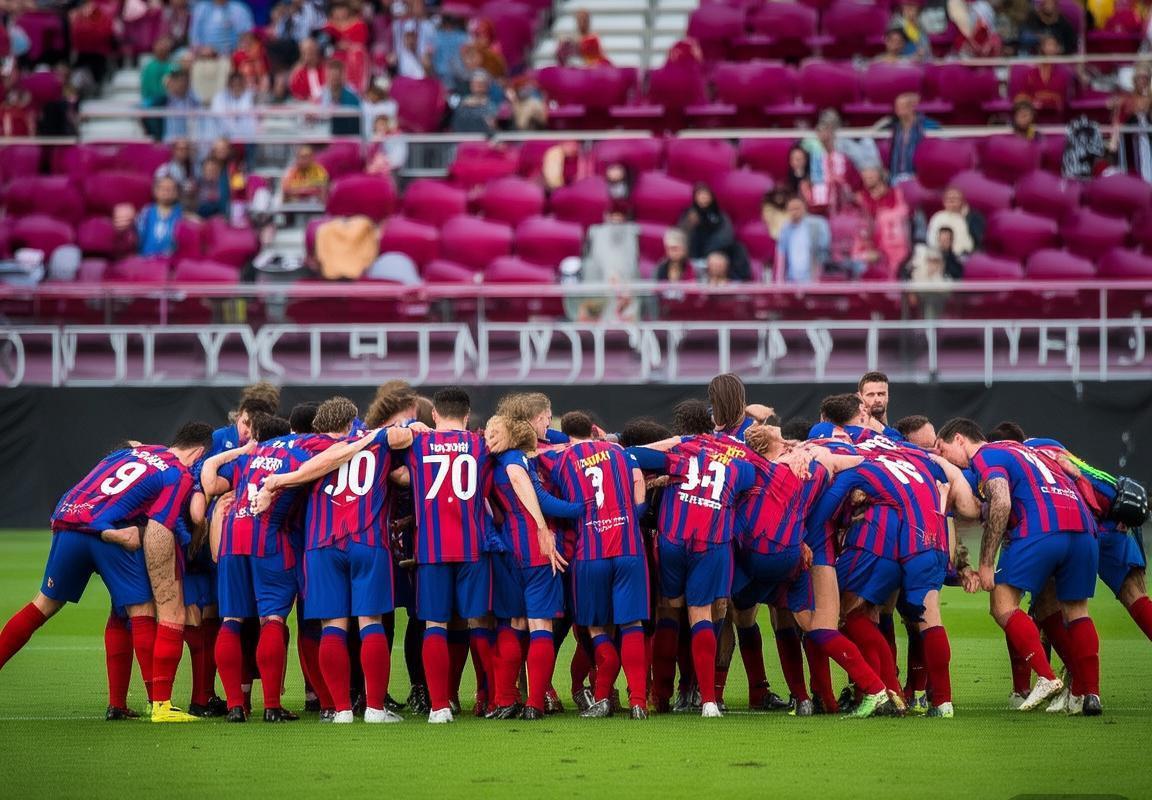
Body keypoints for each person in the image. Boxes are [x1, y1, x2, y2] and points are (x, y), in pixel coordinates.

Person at [0, 422, 213, 723]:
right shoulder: (178, 474)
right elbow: (161, 524)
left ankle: (118, 705)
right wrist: (188, 544)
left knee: (42, 606)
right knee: (140, 610)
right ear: (199, 453)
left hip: (70, 522)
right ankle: (159, 703)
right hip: (111, 534)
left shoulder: (136, 451)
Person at [252, 397, 419, 724]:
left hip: (321, 545)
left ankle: (341, 709)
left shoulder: (304, 446)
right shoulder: (378, 441)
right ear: (350, 422)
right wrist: (410, 428)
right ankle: (374, 709)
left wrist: (273, 484)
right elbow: (405, 439)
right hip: (367, 540)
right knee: (371, 623)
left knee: (332, 627)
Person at [936, 418, 1103, 715]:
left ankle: (1047, 677)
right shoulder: (1029, 450)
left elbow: (1001, 502)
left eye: (942, 449)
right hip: (1083, 529)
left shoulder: (986, 455)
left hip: (1040, 528)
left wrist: (986, 562)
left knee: (1002, 605)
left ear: (960, 439)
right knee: (1074, 611)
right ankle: (1086, 693)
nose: (943, 456)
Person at [538, 411, 650, 719]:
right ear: (592, 429)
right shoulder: (620, 452)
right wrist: (634, 514)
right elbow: (639, 485)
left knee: (596, 627)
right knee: (632, 624)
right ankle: (639, 701)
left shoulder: (559, 458)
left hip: (590, 552)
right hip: (628, 547)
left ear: (566, 433)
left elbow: (538, 475)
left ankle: (601, 697)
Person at [396, 388, 496, 723]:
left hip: (432, 548)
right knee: (479, 621)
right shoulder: (481, 444)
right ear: (467, 415)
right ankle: (490, 699)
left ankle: (439, 706)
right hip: (473, 546)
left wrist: (409, 428)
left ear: (435, 414)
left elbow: (388, 464)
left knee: (435, 624)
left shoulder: (418, 443)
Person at [485, 414, 581, 720]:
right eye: (488, 432)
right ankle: (535, 703)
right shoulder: (514, 460)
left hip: (507, 548)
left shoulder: (490, 463)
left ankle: (505, 699)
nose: (489, 436)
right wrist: (549, 525)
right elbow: (522, 482)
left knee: (514, 623)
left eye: (494, 432)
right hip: (536, 549)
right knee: (540, 625)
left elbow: (493, 510)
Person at [856, 165, 911, 279]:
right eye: (865, 175)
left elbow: (903, 213)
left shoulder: (897, 195)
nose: (867, 177)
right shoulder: (862, 200)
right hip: (874, 251)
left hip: (897, 249)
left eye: (871, 174)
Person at [800, 110, 858, 213]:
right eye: (820, 131)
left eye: (827, 131)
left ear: (833, 133)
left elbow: (851, 181)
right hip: (819, 201)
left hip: (842, 199)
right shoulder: (813, 156)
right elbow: (808, 179)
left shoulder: (844, 156)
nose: (824, 135)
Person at [883, 92, 940, 183]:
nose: (897, 110)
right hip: (894, 176)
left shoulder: (928, 125)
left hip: (917, 178)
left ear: (912, 107)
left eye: (901, 106)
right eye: (896, 106)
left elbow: (935, 153)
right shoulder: (894, 127)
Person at [774, 195, 831, 283]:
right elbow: (781, 255)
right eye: (791, 209)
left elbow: (823, 251)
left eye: (797, 208)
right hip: (791, 280)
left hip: (812, 279)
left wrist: (817, 276)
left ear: (804, 208)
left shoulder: (817, 225)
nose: (794, 212)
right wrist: (779, 280)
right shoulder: (786, 229)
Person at [124, 176, 184, 257]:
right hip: (146, 257)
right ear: (155, 191)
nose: (166, 191)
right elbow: (136, 231)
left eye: (171, 189)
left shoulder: (181, 213)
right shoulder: (146, 211)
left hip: (171, 258)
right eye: (162, 188)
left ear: (177, 193)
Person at [1017, 34, 1074, 114]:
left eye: (1053, 45)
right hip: (1034, 112)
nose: (1050, 48)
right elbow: (1022, 96)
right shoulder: (1031, 72)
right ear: (1042, 47)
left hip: (1056, 112)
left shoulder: (1065, 72)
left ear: (1058, 48)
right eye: (1048, 45)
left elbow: (1065, 98)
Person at [926, 186, 983, 256]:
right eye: (948, 199)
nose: (951, 201)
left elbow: (977, 243)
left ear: (962, 201)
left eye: (954, 198)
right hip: (939, 255)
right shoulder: (937, 217)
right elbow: (931, 240)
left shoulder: (974, 218)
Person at [189, 0, 255, 57]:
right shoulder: (200, 9)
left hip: (232, 57)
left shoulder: (240, 9)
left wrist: (236, 52)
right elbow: (194, 40)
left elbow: (247, 39)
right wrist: (202, 50)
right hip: (205, 57)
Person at [210, 71, 257, 143]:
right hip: (225, 139)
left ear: (243, 85)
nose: (236, 87)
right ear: (228, 85)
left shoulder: (251, 96)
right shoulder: (219, 97)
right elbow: (217, 117)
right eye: (234, 84)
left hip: (247, 140)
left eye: (239, 84)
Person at [319, 59, 361, 137]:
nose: (334, 79)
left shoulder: (352, 93)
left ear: (342, 76)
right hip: (324, 132)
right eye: (332, 76)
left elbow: (353, 119)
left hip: (347, 132)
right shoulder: (321, 92)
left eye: (336, 76)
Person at [158, 70, 202, 143]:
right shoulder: (163, 100)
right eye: (179, 81)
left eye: (185, 82)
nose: (182, 84)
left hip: (188, 143)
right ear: (171, 83)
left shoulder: (193, 99)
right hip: (169, 142)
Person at [229, 31, 269, 96]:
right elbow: (234, 74)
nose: (247, 45)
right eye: (244, 42)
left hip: (259, 84)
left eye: (250, 42)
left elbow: (265, 73)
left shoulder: (261, 54)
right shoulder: (237, 56)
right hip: (244, 85)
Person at [287, 37, 326, 102]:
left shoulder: (326, 69)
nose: (308, 56)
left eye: (311, 52)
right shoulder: (298, 72)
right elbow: (295, 92)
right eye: (305, 52)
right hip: (305, 104)